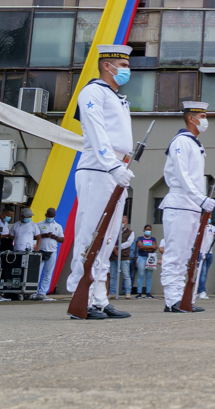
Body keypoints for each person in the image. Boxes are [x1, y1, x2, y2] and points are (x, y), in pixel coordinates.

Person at [66, 44, 134, 320]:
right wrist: (112, 164)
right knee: (91, 233)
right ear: (108, 65)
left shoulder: (116, 97)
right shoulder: (93, 91)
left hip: (115, 168)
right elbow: (96, 132)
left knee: (106, 239)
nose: (127, 71)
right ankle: (80, 298)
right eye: (124, 65)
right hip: (98, 167)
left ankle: (99, 298)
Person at [160, 101, 215, 313]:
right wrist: (199, 197)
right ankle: (172, 299)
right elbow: (182, 175)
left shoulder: (194, 143)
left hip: (191, 205)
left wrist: (198, 200)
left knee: (186, 256)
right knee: (175, 254)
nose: (205, 120)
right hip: (181, 202)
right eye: (202, 116)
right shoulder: (181, 141)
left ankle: (182, 298)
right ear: (191, 118)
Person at [34, 207, 64, 301]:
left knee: (48, 273)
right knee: (37, 273)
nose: (50, 217)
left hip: (52, 252)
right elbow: (33, 237)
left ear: (54, 216)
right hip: (40, 251)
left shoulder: (58, 226)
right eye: (49, 216)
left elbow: (62, 239)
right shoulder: (39, 224)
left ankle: (42, 293)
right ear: (46, 215)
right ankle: (34, 292)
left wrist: (55, 237)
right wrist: (43, 235)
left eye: (52, 216)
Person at [108, 215, 134, 299]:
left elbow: (129, 243)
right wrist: (114, 249)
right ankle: (112, 293)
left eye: (122, 222)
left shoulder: (130, 232)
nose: (121, 224)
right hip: (113, 256)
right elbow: (109, 240)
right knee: (113, 275)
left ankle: (128, 293)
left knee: (126, 275)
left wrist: (118, 247)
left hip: (124, 256)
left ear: (126, 223)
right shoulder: (113, 231)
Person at [133, 225, 157, 298]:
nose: (148, 231)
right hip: (141, 258)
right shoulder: (140, 238)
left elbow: (155, 247)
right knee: (141, 275)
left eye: (149, 230)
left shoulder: (153, 239)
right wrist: (150, 248)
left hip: (150, 258)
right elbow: (140, 247)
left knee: (149, 276)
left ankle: (148, 292)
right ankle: (139, 293)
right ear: (144, 230)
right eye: (146, 229)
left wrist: (145, 248)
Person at [197, 223, 215, 300]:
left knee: (205, 273)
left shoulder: (213, 227)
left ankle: (199, 291)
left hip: (210, 252)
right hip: (202, 252)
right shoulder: (199, 225)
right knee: (202, 273)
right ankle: (202, 291)